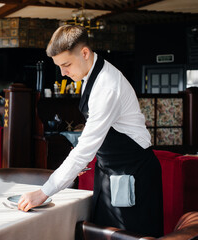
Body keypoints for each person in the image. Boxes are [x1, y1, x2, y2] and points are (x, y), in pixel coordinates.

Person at [17, 25, 163, 237]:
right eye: (59, 67)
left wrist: (43, 192)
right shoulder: (90, 75)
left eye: (66, 65)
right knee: (102, 234)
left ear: (85, 53)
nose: (63, 73)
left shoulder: (107, 86)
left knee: (127, 236)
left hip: (132, 173)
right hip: (110, 170)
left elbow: (85, 148)